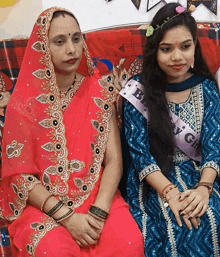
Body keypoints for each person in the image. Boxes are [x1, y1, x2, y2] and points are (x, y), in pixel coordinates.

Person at [0, 7, 144, 257]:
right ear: (42, 48)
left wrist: (98, 214)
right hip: (43, 206)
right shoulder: (24, 105)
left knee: (128, 243)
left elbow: (114, 162)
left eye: (76, 38)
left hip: (97, 196)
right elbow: (21, 176)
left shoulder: (99, 91)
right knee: (54, 251)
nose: (71, 49)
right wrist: (67, 218)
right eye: (60, 41)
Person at [121, 3, 220, 256]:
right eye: (166, 49)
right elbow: (140, 155)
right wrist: (170, 193)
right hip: (155, 179)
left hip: (201, 176)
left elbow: (214, 147)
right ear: (154, 51)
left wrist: (203, 189)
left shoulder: (207, 88)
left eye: (185, 47)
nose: (177, 57)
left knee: (210, 214)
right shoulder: (137, 89)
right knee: (175, 223)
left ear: (195, 47)